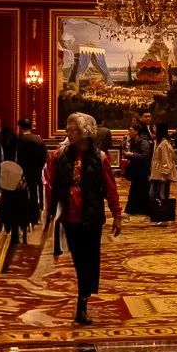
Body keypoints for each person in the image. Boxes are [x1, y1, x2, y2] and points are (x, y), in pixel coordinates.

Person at [47, 112, 123, 325]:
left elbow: (110, 189)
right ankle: (82, 299)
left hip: (91, 215)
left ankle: (82, 303)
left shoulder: (100, 158)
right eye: (68, 129)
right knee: (77, 260)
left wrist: (117, 215)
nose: (69, 134)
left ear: (86, 132)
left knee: (88, 260)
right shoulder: (60, 155)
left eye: (74, 130)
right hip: (68, 217)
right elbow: (50, 181)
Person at [16, 116, 49, 219]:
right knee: (36, 191)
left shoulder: (18, 140)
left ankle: (27, 212)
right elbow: (45, 157)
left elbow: (15, 157)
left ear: (20, 127)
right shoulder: (39, 140)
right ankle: (38, 211)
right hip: (37, 170)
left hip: (22, 171)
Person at [0, 151, 32, 246]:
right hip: (19, 200)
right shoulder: (17, 168)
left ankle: (6, 229)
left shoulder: (3, 166)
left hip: (7, 200)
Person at [148, 130, 177, 225]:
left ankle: (163, 218)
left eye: (155, 132)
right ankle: (158, 216)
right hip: (157, 173)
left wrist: (164, 173)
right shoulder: (158, 142)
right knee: (155, 195)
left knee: (162, 196)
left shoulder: (164, 144)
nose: (153, 134)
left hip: (161, 174)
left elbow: (166, 160)